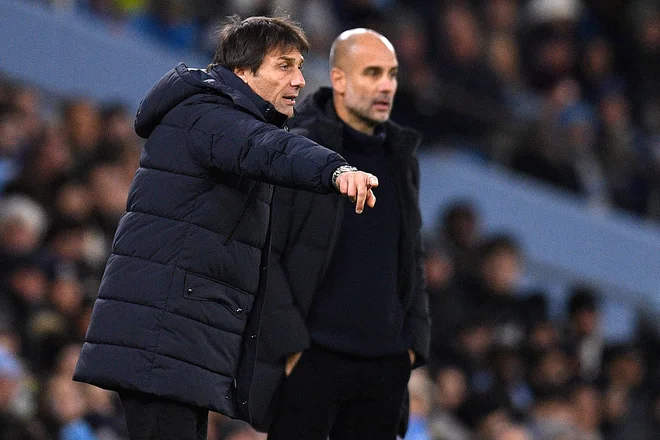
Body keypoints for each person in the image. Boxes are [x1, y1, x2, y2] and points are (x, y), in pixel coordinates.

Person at [72, 16, 379, 440]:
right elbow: (268, 148)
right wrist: (334, 169)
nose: (299, 81)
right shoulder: (209, 116)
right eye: (284, 66)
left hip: (181, 335)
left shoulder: (220, 119)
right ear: (243, 72)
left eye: (299, 66)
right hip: (164, 335)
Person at [261, 28, 429, 439]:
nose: (386, 85)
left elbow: (411, 257)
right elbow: (267, 250)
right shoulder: (299, 147)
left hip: (385, 366)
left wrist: (412, 346)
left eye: (391, 74)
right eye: (372, 73)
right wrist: (290, 346)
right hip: (312, 360)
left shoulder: (401, 159)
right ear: (338, 79)